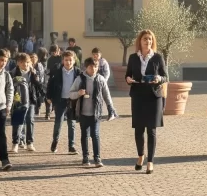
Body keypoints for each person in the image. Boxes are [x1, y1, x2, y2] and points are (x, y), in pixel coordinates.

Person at [125, 30, 167, 174]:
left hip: (153, 96)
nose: (147, 41)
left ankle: (150, 162)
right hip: (138, 95)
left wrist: (159, 79)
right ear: (140, 41)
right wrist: (128, 80)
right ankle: (141, 156)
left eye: (150, 39)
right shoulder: (132, 58)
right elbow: (128, 75)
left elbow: (165, 76)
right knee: (138, 129)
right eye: (145, 39)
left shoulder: (157, 57)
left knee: (151, 130)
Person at [70, 56, 118, 168]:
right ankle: (85, 158)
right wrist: (79, 93)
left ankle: (97, 158)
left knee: (95, 135)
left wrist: (111, 107)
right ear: (86, 67)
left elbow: (107, 95)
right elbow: (71, 94)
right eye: (91, 67)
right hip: (83, 113)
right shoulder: (80, 79)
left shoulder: (101, 79)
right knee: (84, 135)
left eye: (96, 66)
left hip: (96, 113)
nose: (94, 69)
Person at [47, 50, 81, 154]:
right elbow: (50, 84)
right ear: (63, 61)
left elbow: (82, 85)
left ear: (74, 61)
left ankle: (71, 145)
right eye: (66, 60)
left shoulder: (78, 72)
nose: (68, 62)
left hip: (72, 101)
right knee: (58, 122)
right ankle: (55, 141)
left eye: (70, 60)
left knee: (72, 124)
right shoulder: (57, 71)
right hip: (60, 100)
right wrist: (49, 96)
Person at [10, 53, 36, 153]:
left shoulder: (32, 72)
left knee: (30, 120)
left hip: (30, 99)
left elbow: (38, 84)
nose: (25, 64)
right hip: (18, 100)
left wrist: (36, 76)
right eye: (22, 62)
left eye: (27, 62)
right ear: (18, 63)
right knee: (18, 121)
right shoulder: (13, 73)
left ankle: (29, 142)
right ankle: (15, 143)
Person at [44, 45, 63, 120]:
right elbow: (48, 69)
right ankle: (47, 112)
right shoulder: (50, 59)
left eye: (55, 51)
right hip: (51, 78)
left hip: (59, 79)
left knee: (57, 96)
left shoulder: (61, 58)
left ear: (58, 51)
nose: (54, 53)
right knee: (48, 96)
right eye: (52, 52)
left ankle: (56, 112)